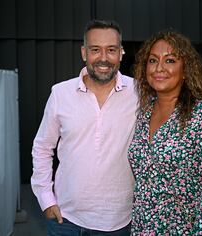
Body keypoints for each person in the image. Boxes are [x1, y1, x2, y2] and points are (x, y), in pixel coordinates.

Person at [30, 19, 138, 235]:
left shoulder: (139, 93)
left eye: (111, 50)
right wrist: (46, 199)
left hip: (120, 222)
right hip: (66, 220)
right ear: (83, 52)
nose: (104, 58)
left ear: (121, 53)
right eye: (95, 50)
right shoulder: (60, 93)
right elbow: (42, 147)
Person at [128, 30, 202, 235]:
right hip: (143, 228)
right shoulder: (144, 113)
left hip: (186, 229)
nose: (159, 68)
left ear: (185, 70)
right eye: (153, 60)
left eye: (170, 60)